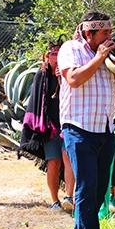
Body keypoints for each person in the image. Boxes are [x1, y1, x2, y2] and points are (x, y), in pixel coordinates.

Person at [57, 10, 115, 229]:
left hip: (106, 128)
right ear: (88, 32)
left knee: (99, 189)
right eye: (104, 32)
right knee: (86, 186)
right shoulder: (71, 49)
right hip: (78, 128)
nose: (109, 36)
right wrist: (99, 58)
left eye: (110, 32)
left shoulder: (111, 54)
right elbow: (73, 79)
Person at [20, 44, 75, 211]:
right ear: (46, 57)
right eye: (51, 53)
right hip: (49, 126)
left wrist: (63, 78)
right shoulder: (41, 75)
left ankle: (69, 197)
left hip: (68, 123)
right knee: (54, 162)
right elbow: (36, 101)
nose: (54, 56)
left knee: (69, 161)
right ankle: (54, 200)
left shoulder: (69, 72)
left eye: (58, 53)